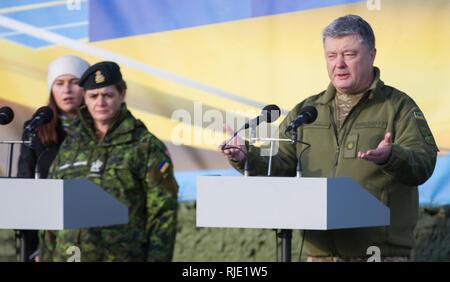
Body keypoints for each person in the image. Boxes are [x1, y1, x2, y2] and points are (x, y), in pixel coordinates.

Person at [221, 15, 438, 262]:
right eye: (331, 56)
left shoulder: (397, 106)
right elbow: (279, 163)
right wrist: (244, 156)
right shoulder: (308, 110)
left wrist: (392, 156)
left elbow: (424, 162)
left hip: (378, 255)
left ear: (372, 54)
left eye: (349, 54)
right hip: (320, 256)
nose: (339, 64)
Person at [41, 61, 178, 262]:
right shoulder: (70, 146)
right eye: (93, 96)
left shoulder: (145, 146)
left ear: (122, 95)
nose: (100, 103)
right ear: (85, 99)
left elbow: (163, 215)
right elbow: (52, 212)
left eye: (108, 95)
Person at [12, 55, 89, 262]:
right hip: (47, 239)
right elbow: (25, 184)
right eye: (60, 83)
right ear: (51, 88)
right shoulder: (35, 128)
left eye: (74, 82)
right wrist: (36, 249)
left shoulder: (100, 129)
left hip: (91, 233)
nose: (67, 90)